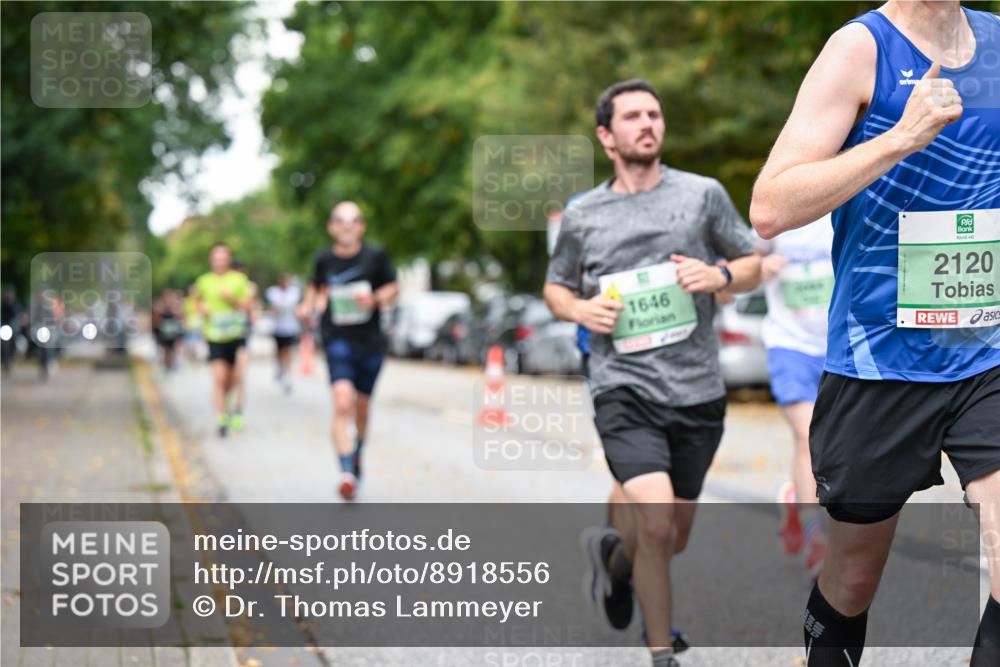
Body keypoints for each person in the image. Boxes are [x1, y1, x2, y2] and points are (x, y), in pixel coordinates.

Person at [750, 3, 1000, 665]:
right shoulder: (860, 50)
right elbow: (771, 206)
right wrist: (899, 137)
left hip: (986, 350)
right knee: (854, 577)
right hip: (879, 360)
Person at [544, 79, 761, 667]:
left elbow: (751, 263)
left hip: (696, 390)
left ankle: (615, 562)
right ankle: (661, 651)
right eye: (634, 116)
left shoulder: (702, 195)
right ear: (605, 135)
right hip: (623, 388)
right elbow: (556, 287)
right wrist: (581, 309)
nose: (648, 124)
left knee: (670, 538)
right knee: (658, 523)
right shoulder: (585, 214)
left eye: (655, 114)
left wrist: (719, 277)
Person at [299, 201, 398, 501]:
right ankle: (346, 472)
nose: (346, 226)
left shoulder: (376, 256)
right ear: (331, 227)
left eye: (353, 221)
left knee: (362, 407)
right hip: (337, 338)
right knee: (343, 403)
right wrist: (307, 305)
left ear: (361, 227)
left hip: (370, 342)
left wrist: (376, 298)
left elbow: (393, 287)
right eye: (340, 220)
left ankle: (357, 454)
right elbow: (314, 288)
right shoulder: (323, 259)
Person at [755, 214, 834, 577]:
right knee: (807, 435)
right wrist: (760, 266)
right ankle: (815, 537)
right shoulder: (779, 209)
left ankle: (794, 498)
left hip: (839, 344)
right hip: (790, 344)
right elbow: (740, 264)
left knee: (837, 443)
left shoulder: (847, 198)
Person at [193, 243, 253, 437]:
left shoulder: (239, 279)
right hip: (215, 336)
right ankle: (222, 418)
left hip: (236, 334)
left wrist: (231, 299)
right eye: (216, 258)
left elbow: (247, 305)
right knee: (219, 377)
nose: (219, 261)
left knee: (236, 376)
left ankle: (236, 410)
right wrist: (201, 308)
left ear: (228, 260)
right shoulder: (203, 281)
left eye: (223, 258)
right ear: (211, 260)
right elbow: (196, 301)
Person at [265, 273, 302, 393]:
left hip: (291, 327)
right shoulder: (273, 292)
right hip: (278, 327)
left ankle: (286, 374)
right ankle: (279, 368)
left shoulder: (294, 292)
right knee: (279, 350)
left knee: (287, 350)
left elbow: (297, 307)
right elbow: (271, 307)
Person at [152, 288, 184, 372]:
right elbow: (156, 318)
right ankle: (167, 364)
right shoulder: (160, 305)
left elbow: (179, 316)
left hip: (172, 330)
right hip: (164, 331)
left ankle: (170, 363)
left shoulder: (175, 305)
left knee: (172, 348)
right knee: (166, 349)